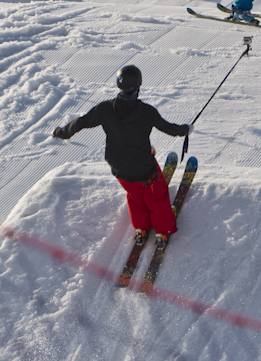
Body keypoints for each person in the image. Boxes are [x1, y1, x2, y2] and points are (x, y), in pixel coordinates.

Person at [50, 65, 191, 236]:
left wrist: (60, 132)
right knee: (157, 198)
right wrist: (185, 129)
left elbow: (80, 122)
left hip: (119, 170)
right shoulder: (147, 112)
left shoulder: (105, 109)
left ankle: (141, 226)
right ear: (139, 84)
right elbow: (169, 128)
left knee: (135, 196)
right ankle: (164, 229)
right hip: (145, 170)